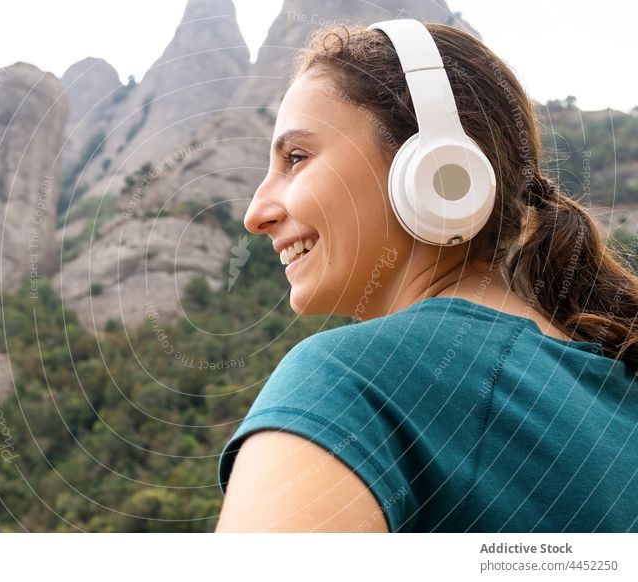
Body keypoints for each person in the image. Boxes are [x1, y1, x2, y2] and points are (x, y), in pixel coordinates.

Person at [214, 20, 638, 533]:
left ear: (436, 170)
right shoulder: (619, 384)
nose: (254, 214)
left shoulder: (348, 381)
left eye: (297, 157)